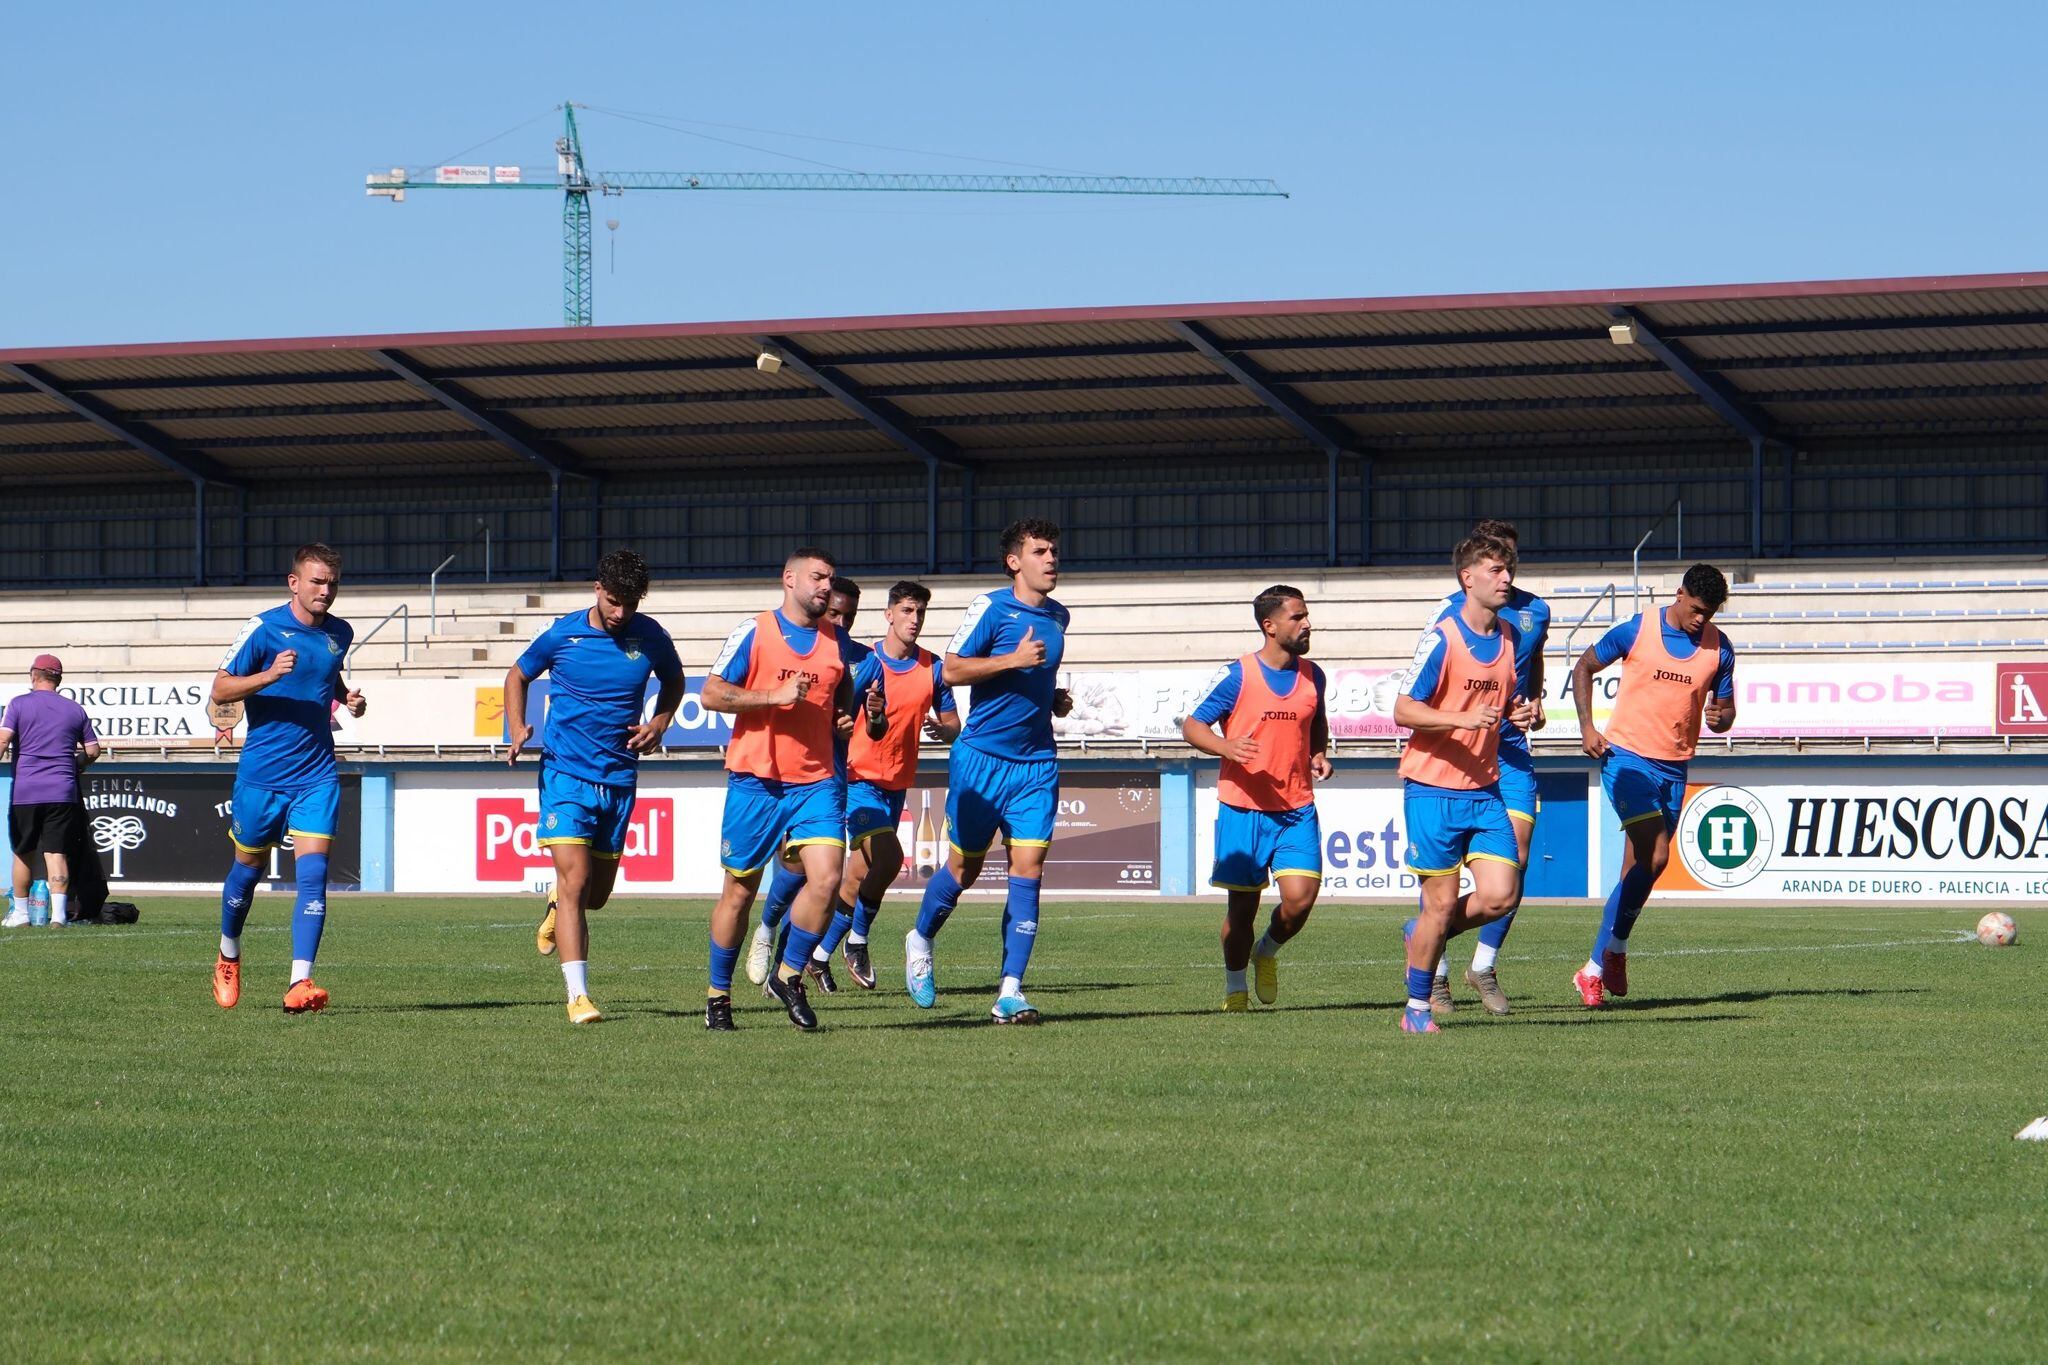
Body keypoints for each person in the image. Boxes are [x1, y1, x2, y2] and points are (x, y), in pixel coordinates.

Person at [907, 518, 1072, 1024]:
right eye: (1040, 551)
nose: (1051, 559)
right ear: (1014, 561)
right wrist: (1013, 660)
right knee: (964, 869)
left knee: (1030, 871)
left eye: (1054, 551)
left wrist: (1053, 698)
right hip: (980, 761)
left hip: (1036, 763)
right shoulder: (989, 607)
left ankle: (1010, 991)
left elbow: (1036, 676)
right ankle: (919, 937)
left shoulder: (1060, 616)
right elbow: (950, 670)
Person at [510, 550, 683, 1024]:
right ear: (596, 589)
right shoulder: (564, 633)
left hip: (619, 778)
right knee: (576, 881)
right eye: (613, 601)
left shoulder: (650, 636)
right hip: (565, 773)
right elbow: (518, 673)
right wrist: (517, 726)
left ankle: (554, 904)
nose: (620, 612)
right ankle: (578, 996)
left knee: (596, 894)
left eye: (629, 603)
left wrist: (662, 720)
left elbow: (674, 680)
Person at [701, 547, 867, 1031]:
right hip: (756, 782)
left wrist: (844, 719)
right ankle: (718, 997)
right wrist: (772, 696)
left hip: (815, 781)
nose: (825, 587)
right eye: (817, 577)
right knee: (739, 894)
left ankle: (790, 975)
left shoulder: (837, 641)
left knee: (827, 878)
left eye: (830, 579)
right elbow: (712, 693)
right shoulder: (755, 630)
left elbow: (843, 697)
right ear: (788, 579)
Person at [1571, 563, 1737, 1008]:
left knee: (1643, 867)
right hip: (1626, 758)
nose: (1703, 619)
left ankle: (1608, 954)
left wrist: (1723, 719)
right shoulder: (1637, 629)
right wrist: (1588, 727)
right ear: (1680, 594)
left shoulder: (1720, 650)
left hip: (1675, 767)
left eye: (1712, 612)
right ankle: (1598, 964)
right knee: (1658, 851)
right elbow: (1584, 667)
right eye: (1699, 609)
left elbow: (1725, 711)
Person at [209, 544, 365, 1014]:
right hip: (262, 774)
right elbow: (219, 688)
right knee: (247, 873)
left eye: (332, 583)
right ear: (293, 582)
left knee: (314, 877)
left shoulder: (342, 632)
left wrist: (347, 698)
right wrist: (268, 675)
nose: (326, 591)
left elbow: (327, 675)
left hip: (317, 772)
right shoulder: (262, 628)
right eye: (317, 582)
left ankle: (300, 982)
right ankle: (229, 953)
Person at [1392, 532, 1537, 1034]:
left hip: (1484, 789)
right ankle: (1417, 1009)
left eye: (1508, 571)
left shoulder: (1511, 639)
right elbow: (1403, 709)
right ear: (1467, 578)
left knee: (1502, 893)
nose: (1506, 579)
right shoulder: (1443, 637)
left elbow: (1499, 706)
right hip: (1432, 791)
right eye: (1495, 571)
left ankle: (1425, 932)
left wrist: (1519, 712)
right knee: (1439, 903)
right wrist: (1460, 717)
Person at [1181, 587, 1330, 1011]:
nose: (1307, 624)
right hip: (1243, 808)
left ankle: (1266, 951)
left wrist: (1318, 753)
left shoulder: (1313, 675)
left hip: (1297, 808)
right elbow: (1193, 726)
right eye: (1297, 617)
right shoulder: (1237, 675)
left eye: (1306, 616)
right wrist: (1224, 747)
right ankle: (1234, 988)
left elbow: (1317, 723)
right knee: (1241, 910)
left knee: (1300, 900)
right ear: (1270, 626)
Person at [814, 580, 960, 989]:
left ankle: (817, 954)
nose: (915, 620)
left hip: (896, 784)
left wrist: (942, 730)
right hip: (857, 780)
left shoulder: (932, 668)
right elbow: (837, 712)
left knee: (857, 877)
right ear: (889, 615)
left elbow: (954, 726)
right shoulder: (866, 662)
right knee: (891, 859)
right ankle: (856, 942)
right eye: (908, 612)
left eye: (921, 614)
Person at [744, 575, 871, 992]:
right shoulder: (792, 641)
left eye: (848, 616)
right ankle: (765, 927)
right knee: (795, 869)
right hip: (777, 773)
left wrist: (859, 721)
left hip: (829, 777)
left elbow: (873, 723)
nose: (841, 621)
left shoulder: (863, 659)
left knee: (823, 880)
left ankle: (788, 969)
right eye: (835, 612)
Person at [0, 655, 102, 928]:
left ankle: (21, 914)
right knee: (57, 852)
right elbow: (93, 750)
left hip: (27, 791)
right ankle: (58, 916)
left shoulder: (19, 704)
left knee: (24, 851)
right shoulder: (74, 709)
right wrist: (75, 763)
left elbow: (3, 739)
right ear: (59, 679)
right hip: (63, 790)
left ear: (34, 674)